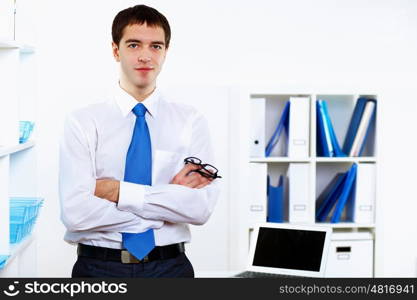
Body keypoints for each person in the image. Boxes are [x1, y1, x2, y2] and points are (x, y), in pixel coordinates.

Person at [59, 4, 220, 278]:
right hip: (99, 268)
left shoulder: (191, 121)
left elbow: (200, 208)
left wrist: (117, 191)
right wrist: (166, 202)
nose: (145, 56)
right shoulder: (83, 122)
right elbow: (76, 212)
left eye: (156, 46)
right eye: (134, 45)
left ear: (166, 52)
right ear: (115, 50)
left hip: (171, 268)